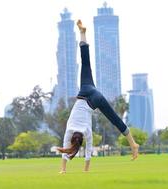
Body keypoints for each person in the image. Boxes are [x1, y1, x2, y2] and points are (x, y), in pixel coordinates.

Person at [57, 20, 139, 174]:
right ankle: (83, 32)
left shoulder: (87, 132)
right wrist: (64, 168)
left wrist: (75, 170)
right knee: (85, 62)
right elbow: (66, 145)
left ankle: (133, 144)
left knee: (114, 119)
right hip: (86, 91)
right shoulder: (70, 129)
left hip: (95, 100)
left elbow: (88, 152)